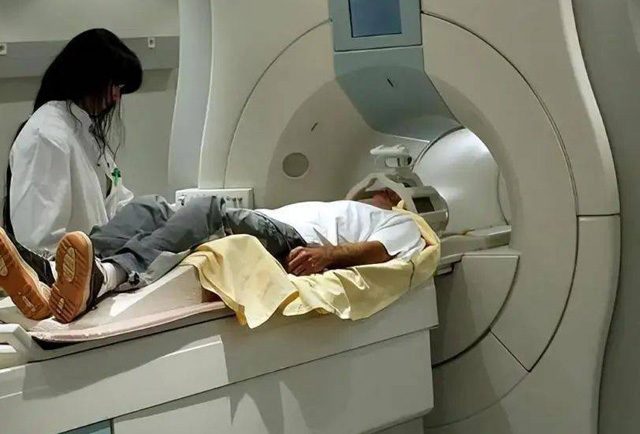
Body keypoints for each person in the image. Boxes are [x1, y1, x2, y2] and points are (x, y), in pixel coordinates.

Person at [0, 190, 425, 323]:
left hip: (292, 241)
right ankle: (52, 276)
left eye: (386, 192)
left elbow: (381, 251)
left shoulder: (403, 221)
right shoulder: (343, 204)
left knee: (210, 210)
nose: (376, 192)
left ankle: (110, 275)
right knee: (150, 207)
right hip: (271, 222)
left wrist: (327, 255)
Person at [0, 29, 143, 319]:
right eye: (114, 84)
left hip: (96, 273)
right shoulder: (46, 135)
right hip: (64, 288)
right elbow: (37, 245)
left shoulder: (84, 133)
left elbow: (119, 203)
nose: (117, 97)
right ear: (89, 77)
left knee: (159, 214)